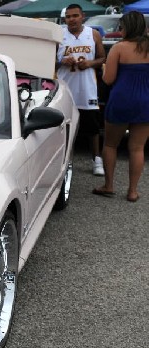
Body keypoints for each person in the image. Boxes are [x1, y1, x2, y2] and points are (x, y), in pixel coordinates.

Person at [93, 11, 149, 202]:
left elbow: (108, 79)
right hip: (145, 102)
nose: (120, 30)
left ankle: (109, 185)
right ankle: (132, 191)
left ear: (127, 27)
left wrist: (104, 68)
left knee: (110, 144)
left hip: (121, 100)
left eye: (121, 27)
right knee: (137, 148)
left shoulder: (119, 48)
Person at [56, 4, 106, 175]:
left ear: (82, 16)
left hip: (87, 88)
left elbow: (102, 57)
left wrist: (90, 63)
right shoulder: (59, 35)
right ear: (65, 19)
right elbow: (48, 59)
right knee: (63, 126)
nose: (72, 19)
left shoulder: (93, 34)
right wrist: (62, 61)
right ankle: (62, 159)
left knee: (92, 126)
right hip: (65, 87)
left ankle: (96, 160)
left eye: (75, 16)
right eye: (68, 17)